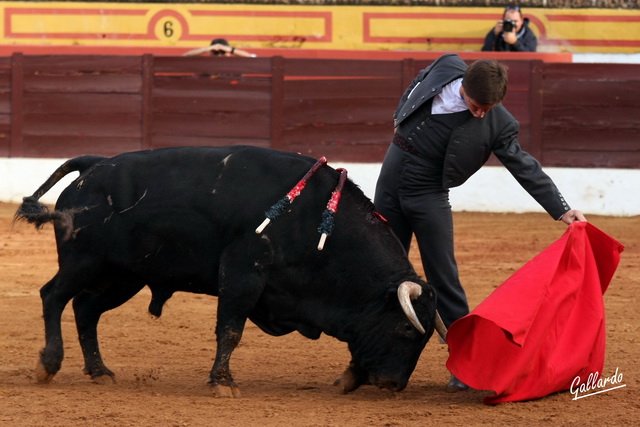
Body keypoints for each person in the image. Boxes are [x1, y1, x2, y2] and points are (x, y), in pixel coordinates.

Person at [373, 53, 586, 393]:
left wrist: (561, 208)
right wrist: (400, 111)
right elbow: (418, 81)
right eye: (475, 106)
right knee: (381, 271)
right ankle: (375, 359)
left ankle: (466, 365)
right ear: (462, 87)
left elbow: (523, 165)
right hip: (390, 177)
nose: (481, 114)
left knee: (444, 275)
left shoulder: (499, 123)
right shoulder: (446, 67)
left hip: (428, 191)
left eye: (487, 108)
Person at [183, 38, 257, 58]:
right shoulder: (206, 64)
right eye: (215, 52)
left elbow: (252, 57)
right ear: (210, 53)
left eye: (223, 52)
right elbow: (185, 56)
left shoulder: (235, 63)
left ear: (229, 53)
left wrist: (230, 50)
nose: (219, 55)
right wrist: (206, 49)